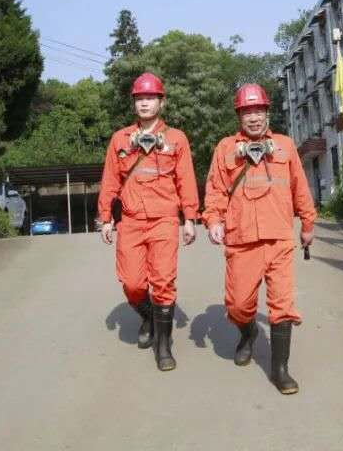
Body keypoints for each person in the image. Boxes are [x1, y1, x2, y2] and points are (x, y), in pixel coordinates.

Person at [202, 83, 316, 394]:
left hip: (279, 238)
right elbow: (215, 189)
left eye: (258, 111)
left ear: (267, 112)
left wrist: (307, 222)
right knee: (238, 305)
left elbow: (299, 186)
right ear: (239, 116)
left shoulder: (285, 146)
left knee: (282, 305)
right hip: (241, 240)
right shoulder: (225, 148)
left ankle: (280, 371)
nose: (253, 117)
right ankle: (248, 332)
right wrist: (213, 220)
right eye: (247, 112)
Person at [97, 72, 198, 371]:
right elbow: (110, 180)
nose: (144, 103)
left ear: (161, 102)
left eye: (150, 98)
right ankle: (149, 316)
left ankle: (163, 346)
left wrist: (190, 218)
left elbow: (186, 180)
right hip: (130, 221)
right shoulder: (120, 139)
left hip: (164, 219)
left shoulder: (177, 139)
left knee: (163, 281)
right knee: (132, 283)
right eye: (139, 98)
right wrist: (106, 217)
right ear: (134, 103)